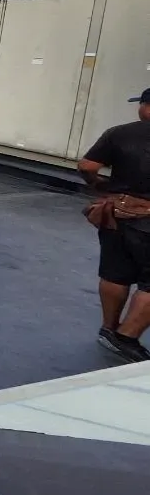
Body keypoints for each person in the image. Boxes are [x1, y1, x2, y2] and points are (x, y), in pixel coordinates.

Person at [78, 87, 150, 363]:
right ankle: (126, 338)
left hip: (117, 213)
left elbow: (87, 166)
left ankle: (109, 328)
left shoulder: (120, 133)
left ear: (145, 106)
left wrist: (101, 186)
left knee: (114, 273)